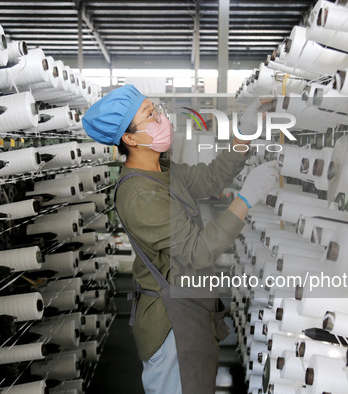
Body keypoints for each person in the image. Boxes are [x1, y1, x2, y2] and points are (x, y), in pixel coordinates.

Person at [83, 84, 278, 394]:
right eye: (149, 115)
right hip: (172, 326)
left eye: (155, 109)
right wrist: (247, 197)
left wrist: (244, 134)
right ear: (130, 139)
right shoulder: (140, 193)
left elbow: (213, 176)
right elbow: (199, 251)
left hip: (188, 309)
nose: (160, 117)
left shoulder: (161, 169)